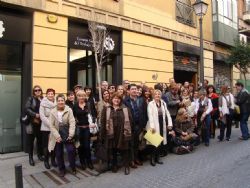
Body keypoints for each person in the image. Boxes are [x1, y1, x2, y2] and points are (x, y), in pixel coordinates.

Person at [101, 92, 132, 175]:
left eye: (118, 99)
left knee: (125, 150)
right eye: (115, 98)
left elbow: (130, 121)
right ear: (112, 99)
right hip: (111, 132)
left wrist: (128, 132)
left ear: (120, 100)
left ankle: (126, 166)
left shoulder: (125, 109)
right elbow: (103, 122)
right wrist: (102, 135)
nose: (116, 100)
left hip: (122, 132)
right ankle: (114, 165)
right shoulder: (107, 109)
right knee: (113, 149)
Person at [48, 94, 76, 177]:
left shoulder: (69, 110)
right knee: (58, 153)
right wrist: (57, 136)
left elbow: (72, 122)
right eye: (59, 100)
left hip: (67, 133)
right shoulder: (52, 111)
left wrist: (71, 134)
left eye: (62, 100)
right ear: (57, 102)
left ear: (64, 101)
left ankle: (73, 166)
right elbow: (51, 125)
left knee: (71, 150)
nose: (60, 102)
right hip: (56, 133)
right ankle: (62, 169)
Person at [146, 89, 173, 166]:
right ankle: (152, 159)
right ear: (153, 96)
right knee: (154, 143)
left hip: (162, 124)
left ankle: (157, 158)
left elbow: (167, 114)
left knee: (160, 142)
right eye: (156, 94)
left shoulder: (163, 103)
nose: (157, 95)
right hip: (154, 124)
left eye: (159, 94)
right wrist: (152, 127)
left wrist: (170, 124)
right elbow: (150, 115)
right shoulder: (151, 104)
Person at [124, 84, 147, 168]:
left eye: (135, 89)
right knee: (131, 144)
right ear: (129, 91)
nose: (134, 90)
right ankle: (131, 160)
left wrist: (144, 124)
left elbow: (145, 113)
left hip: (139, 125)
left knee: (137, 143)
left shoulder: (141, 100)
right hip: (130, 126)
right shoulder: (125, 101)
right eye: (132, 89)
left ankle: (136, 158)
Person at [73, 90, 94, 170]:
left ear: (85, 96)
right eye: (79, 96)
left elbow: (93, 115)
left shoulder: (88, 105)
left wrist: (93, 122)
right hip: (79, 128)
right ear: (77, 97)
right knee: (80, 146)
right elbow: (73, 117)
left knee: (87, 146)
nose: (81, 97)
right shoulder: (75, 106)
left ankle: (89, 161)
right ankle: (82, 162)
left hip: (87, 128)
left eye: (83, 96)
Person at [25, 85, 44, 166]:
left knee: (40, 140)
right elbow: (27, 109)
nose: (37, 91)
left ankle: (39, 155)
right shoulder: (30, 99)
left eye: (39, 90)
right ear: (33, 92)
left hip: (40, 123)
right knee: (31, 141)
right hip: (32, 123)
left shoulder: (43, 99)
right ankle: (31, 158)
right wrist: (34, 115)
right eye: (36, 90)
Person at [39, 88, 57, 169]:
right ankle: (46, 161)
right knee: (46, 145)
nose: (50, 95)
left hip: (56, 127)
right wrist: (50, 125)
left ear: (54, 95)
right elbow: (42, 116)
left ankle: (53, 160)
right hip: (46, 128)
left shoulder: (57, 103)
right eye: (49, 93)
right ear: (46, 95)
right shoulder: (43, 103)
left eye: (52, 94)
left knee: (54, 145)